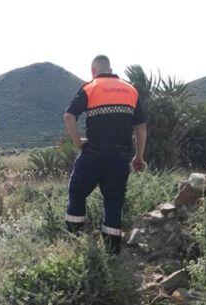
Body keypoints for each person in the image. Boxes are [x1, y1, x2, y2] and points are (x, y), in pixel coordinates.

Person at [63, 55, 147, 254]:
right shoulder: (130, 90)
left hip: (93, 154)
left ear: (93, 71)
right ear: (110, 69)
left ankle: (75, 243)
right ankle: (111, 252)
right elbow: (141, 126)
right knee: (114, 201)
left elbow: (69, 116)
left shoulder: (90, 87)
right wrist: (139, 156)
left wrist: (77, 141)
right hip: (120, 157)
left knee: (77, 193)